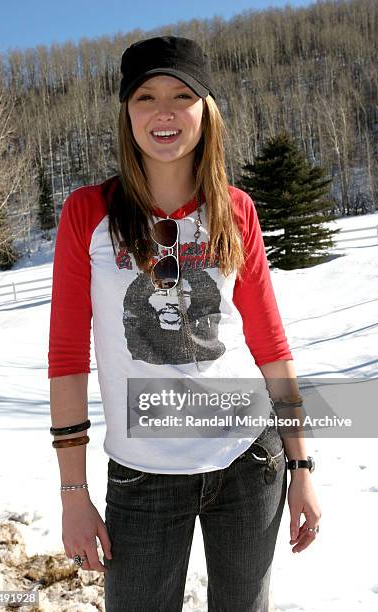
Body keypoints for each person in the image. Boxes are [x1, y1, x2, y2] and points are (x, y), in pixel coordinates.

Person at [48, 35, 321, 612]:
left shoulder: (235, 209)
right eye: (145, 96)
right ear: (127, 112)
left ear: (206, 109)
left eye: (181, 94)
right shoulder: (89, 214)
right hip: (142, 477)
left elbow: (270, 344)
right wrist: (74, 492)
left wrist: (301, 465)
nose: (163, 111)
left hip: (249, 459)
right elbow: (67, 358)